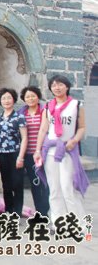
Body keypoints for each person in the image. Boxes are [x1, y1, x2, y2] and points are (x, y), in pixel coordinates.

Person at [34, 75, 88, 226]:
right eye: (54, 85)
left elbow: (82, 127)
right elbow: (43, 129)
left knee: (67, 188)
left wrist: (75, 140)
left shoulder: (76, 105)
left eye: (60, 85)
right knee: (54, 189)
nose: (57, 87)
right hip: (49, 151)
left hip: (67, 150)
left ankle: (78, 224)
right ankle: (59, 223)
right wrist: (38, 150)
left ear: (67, 87)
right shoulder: (47, 107)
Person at [0, 88, 28, 216]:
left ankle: (17, 212)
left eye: (9, 98)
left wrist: (21, 157)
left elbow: (24, 137)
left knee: (17, 184)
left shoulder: (19, 117)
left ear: (13, 99)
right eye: (3, 98)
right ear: (0, 101)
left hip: (15, 153)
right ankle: (9, 210)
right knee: (6, 184)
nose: (6, 101)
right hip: (2, 154)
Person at [18, 86, 50, 217]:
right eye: (27, 97)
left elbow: (45, 131)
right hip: (29, 154)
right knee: (35, 183)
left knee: (46, 183)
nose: (30, 98)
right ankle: (40, 213)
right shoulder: (21, 113)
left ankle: (45, 210)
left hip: (43, 153)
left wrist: (40, 150)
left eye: (33, 96)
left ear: (38, 96)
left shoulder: (44, 111)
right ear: (24, 99)